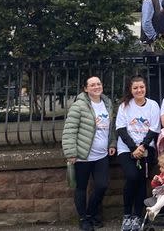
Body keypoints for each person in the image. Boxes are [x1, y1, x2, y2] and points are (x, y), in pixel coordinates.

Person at [62, 76, 116, 231]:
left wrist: (112, 143)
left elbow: (110, 127)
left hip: (102, 156)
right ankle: (83, 219)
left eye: (98, 84)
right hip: (83, 156)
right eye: (92, 85)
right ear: (86, 89)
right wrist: (71, 153)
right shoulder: (79, 106)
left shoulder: (107, 103)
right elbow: (69, 130)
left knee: (102, 185)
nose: (96, 87)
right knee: (81, 188)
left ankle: (91, 213)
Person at [116, 75, 161, 231]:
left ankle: (137, 216)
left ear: (145, 88)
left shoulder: (153, 105)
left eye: (141, 87)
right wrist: (133, 148)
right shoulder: (124, 106)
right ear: (130, 89)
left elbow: (154, 129)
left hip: (146, 148)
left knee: (142, 181)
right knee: (132, 176)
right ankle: (127, 215)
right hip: (126, 149)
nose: (139, 90)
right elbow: (121, 129)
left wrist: (142, 146)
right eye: (135, 88)